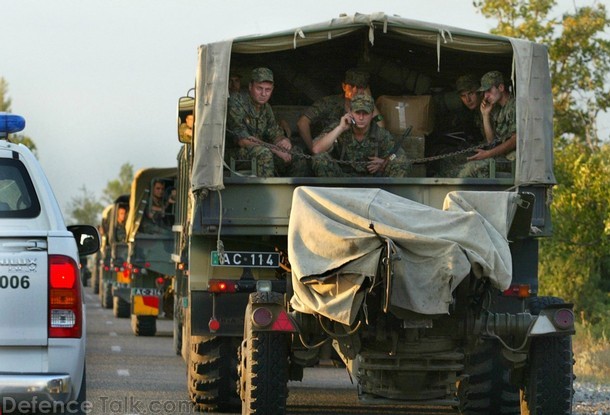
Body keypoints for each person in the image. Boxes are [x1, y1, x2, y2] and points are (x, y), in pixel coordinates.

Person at [225, 67, 310, 177]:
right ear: (250, 87)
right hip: (234, 152)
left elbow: (274, 133)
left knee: (297, 153)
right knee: (264, 153)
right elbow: (243, 140)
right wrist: (275, 149)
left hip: (261, 150)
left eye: (268, 90)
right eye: (259, 88)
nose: (263, 94)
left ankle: (293, 192)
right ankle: (267, 192)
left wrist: (284, 141)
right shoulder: (236, 101)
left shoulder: (266, 108)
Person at [311, 94, 409, 177]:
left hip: (372, 180)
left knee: (400, 161)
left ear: (372, 115)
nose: (361, 117)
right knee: (320, 159)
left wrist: (384, 162)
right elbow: (316, 150)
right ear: (350, 113)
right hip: (341, 179)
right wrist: (340, 128)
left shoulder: (380, 134)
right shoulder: (339, 127)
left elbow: (396, 154)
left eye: (365, 113)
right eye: (357, 113)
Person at [297, 68, 384, 153]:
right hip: (326, 150)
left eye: (359, 87)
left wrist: (370, 100)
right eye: (351, 86)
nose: (354, 90)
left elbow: (381, 127)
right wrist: (311, 148)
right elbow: (302, 123)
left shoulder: (366, 108)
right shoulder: (329, 102)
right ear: (344, 86)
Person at [458, 70, 516, 178]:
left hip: (513, 160)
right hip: (502, 158)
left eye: (488, 91)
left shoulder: (514, 106)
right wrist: (485, 115)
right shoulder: (499, 109)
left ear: (501, 88)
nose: (486, 96)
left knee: (469, 171)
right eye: (484, 92)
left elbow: (515, 140)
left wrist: (488, 154)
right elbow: (491, 142)